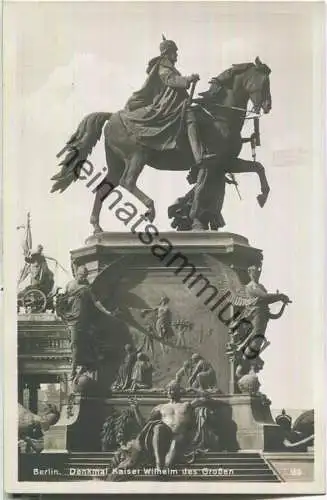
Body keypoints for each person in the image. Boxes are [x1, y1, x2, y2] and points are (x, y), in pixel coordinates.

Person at [121, 36, 215, 166]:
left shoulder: (168, 66)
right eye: (174, 52)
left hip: (175, 102)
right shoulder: (162, 66)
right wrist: (188, 79)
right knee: (190, 117)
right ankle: (199, 156)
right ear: (167, 52)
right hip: (166, 104)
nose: (176, 54)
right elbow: (170, 80)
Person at [59, 265, 115, 381]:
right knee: (74, 344)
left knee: (86, 346)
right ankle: (73, 369)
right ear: (76, 273)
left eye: (84, 276)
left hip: (83, 321)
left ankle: (80, 368)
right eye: (80, 275)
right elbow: (63, 301)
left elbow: (96, 302)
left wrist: (107, 312)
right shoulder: (70, 285)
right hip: (72, 319)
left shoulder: (87, 288)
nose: (82, 277)